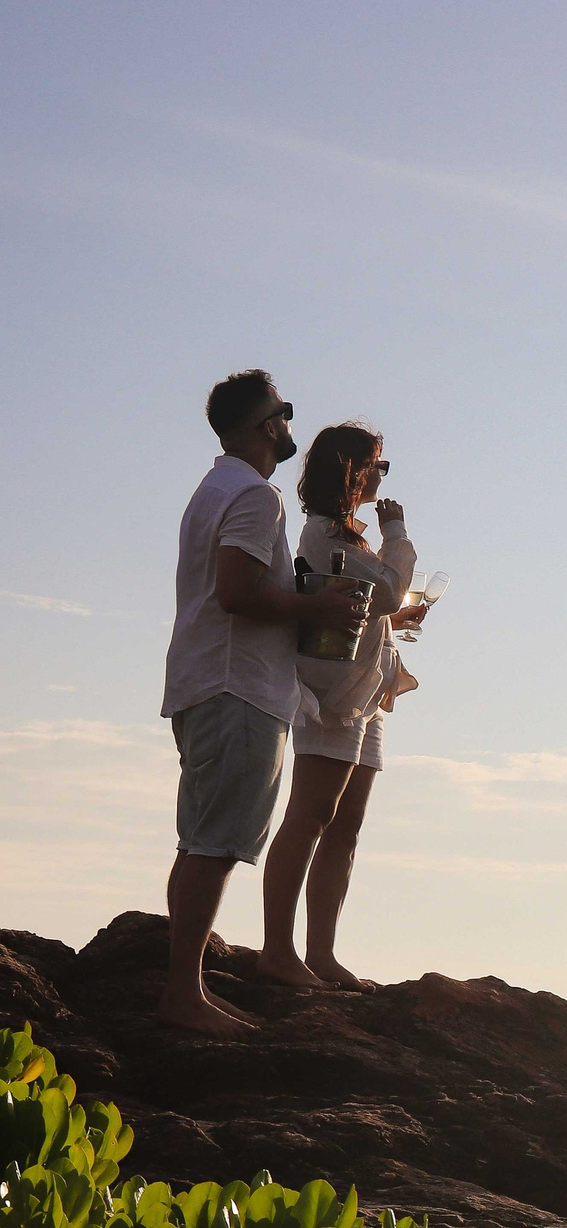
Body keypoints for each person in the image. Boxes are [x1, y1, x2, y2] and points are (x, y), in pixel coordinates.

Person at [160, 371, 369, 1034]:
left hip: (205, 680)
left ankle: (182, 984)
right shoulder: (254, 496)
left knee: (200, 839)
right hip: (236, 686)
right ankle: (184, 994)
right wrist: (319, 605)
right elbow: (237, 591)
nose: (288, 424)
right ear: (264, 425)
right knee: (216, 843)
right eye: (283, 413)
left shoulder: (214, 488)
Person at [258, 423, 428, 991]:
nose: (382, 475)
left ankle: (321, 953)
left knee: (344, 825)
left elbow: (375, 604)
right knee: (311, 816)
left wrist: (396, 619)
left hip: (367, 692)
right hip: (333, 697)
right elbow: (383, 589)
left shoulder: (348, 536)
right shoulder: (327, 534)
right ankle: (279, 951)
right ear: (351, 468)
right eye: (377, 464)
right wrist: (397, 532)